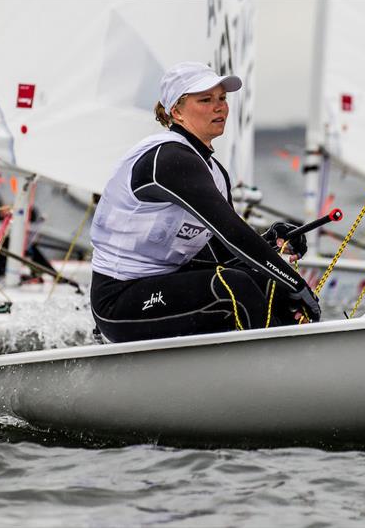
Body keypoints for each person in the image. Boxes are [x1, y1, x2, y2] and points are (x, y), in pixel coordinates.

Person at [90, 62, 320, 343]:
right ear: (176, 111)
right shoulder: (168, 159)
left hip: (165, 284)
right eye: (205, 100)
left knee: (268, 283)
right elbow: (233, 232)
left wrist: (271, 242)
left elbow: (223, 254)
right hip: (119, 300)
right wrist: (295, 282)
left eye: (222, 98)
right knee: (235, 287)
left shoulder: (214, 172)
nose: (219, 107)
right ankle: (277, 372)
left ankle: (300, 358)